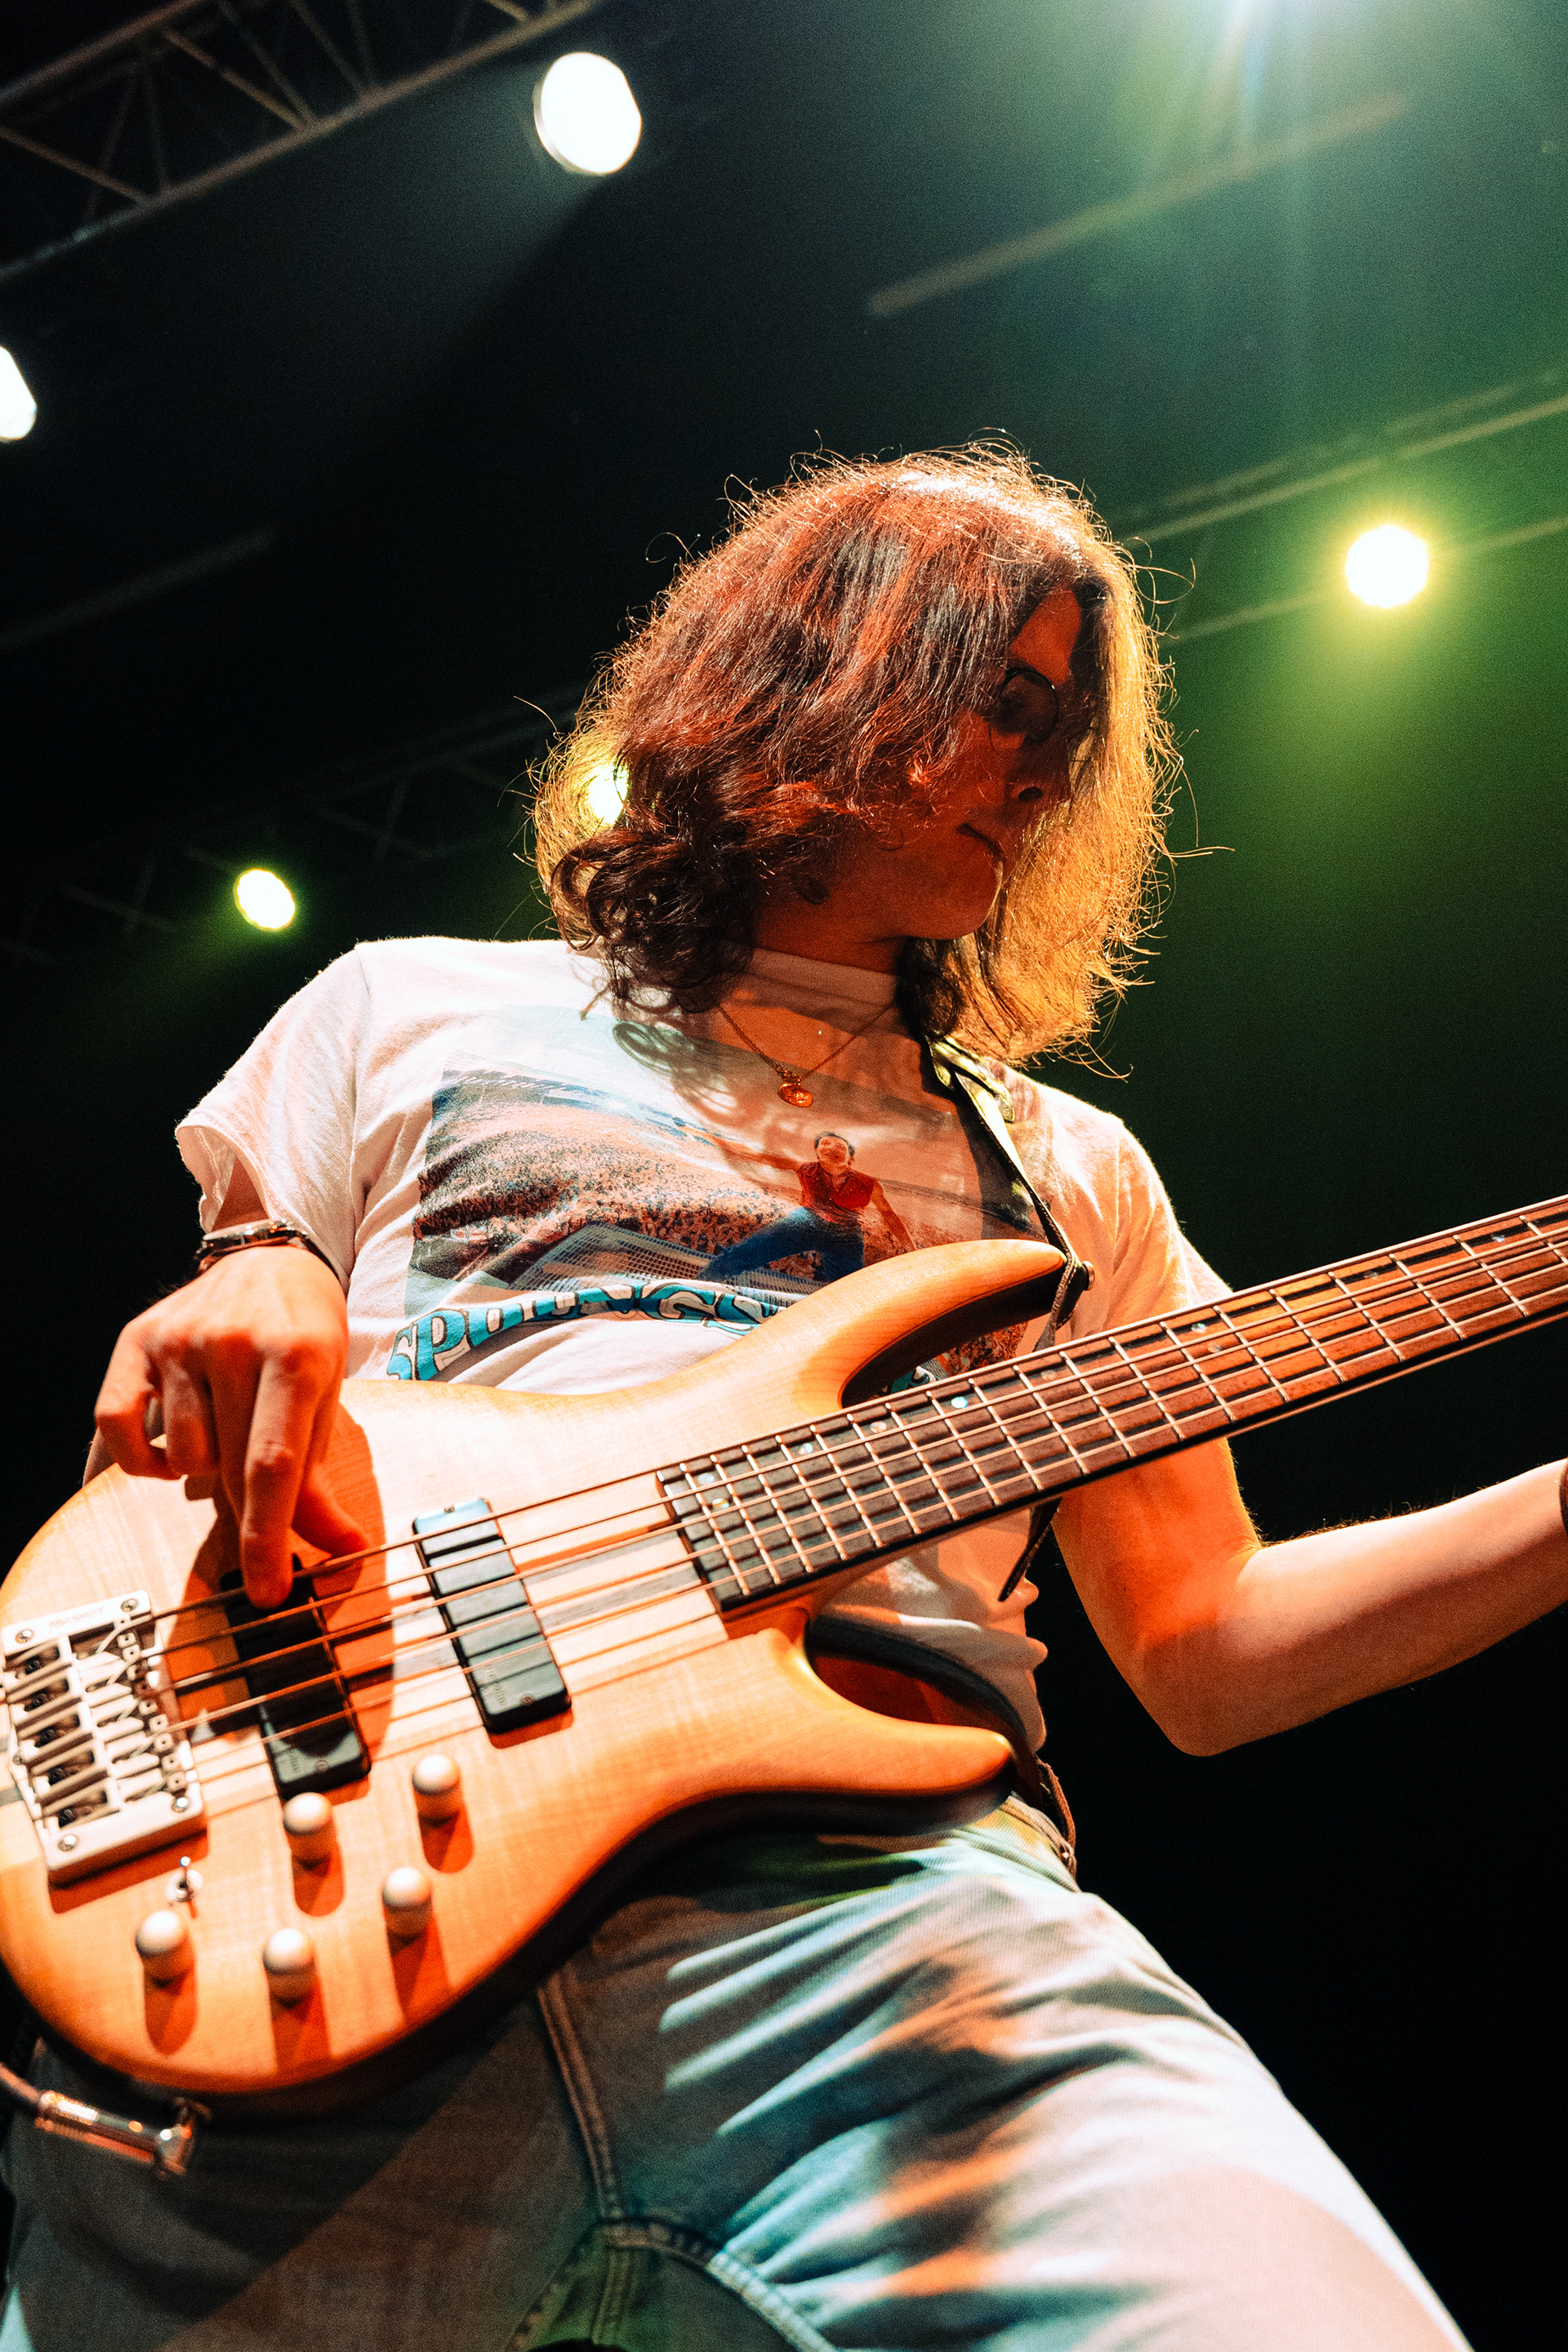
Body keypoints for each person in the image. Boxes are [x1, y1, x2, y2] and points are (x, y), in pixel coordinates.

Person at [5, 449, 1565, 2352]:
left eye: (1070, 730)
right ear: (822, 669)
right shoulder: (408, 1004)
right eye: (1004, 697)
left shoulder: (1070, 1172)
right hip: (331, 1882)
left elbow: (1208, 1647)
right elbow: (231, 1345)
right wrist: (255, 1262)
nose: (1045, 769)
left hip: (888, 1923)